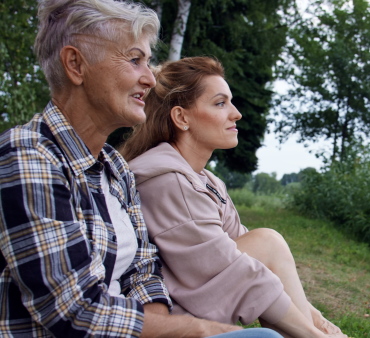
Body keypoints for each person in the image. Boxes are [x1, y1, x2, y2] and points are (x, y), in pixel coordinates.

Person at [0, 1, 282, 337]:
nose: (149, 79)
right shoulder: (28, 158)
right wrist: (195, 330)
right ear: (76, 64)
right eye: (134, 60)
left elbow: (144, 272)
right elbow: (72, 312)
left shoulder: (115, 168)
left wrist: (165, 329)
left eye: (147, 62)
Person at [119, 56, 347, 338]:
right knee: (268, 243)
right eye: (220, 103)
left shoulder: (205, 181)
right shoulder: (168, 181)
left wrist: (317, 320)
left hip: (195, 297)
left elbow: (257, 261)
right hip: (172, 317)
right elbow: (238, 271)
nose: (236, 113)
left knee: (267, 246)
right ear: (181, 117)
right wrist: (313, 335)